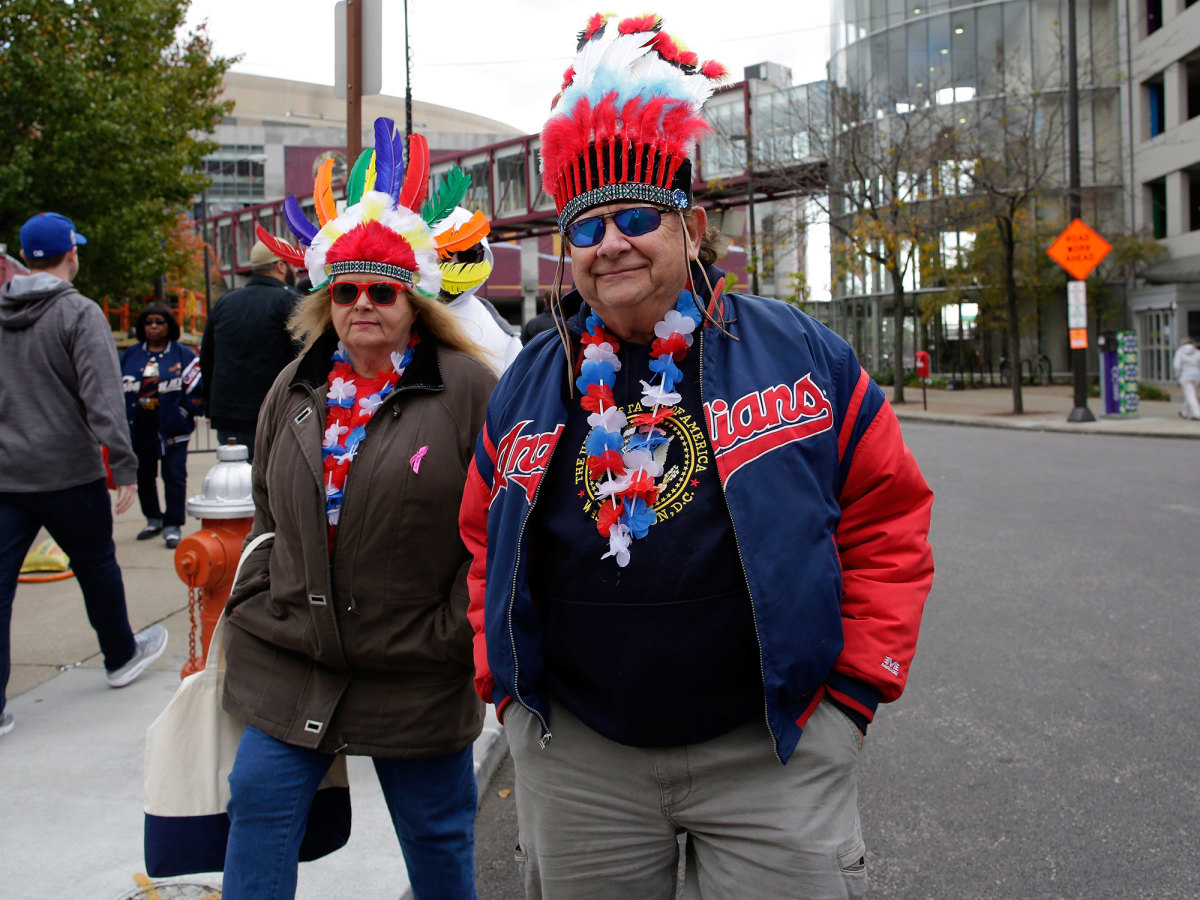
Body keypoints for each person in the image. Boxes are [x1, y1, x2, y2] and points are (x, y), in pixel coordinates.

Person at [459, 15, 935, 899]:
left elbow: (887, 517)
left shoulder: (799, 353)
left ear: (694, 226)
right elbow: (484, 542)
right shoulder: (530, 380)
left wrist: (852, 701)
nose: (611, 244)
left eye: (637, 217)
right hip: (582, 764)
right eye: (586, 228)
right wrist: (507, 696)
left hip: (770, 753)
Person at [219, 119, 496, 899]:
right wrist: (257, 598)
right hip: (295, 658)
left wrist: (451, 632)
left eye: (383, 290)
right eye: (346, 291)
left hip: (416, 667)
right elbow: (269, 514)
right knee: (259, 810)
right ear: (325, 299)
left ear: (415, 300)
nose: (363, 305)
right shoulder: (294, 387)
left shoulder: (468, 391)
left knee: (439, 842)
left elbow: (496, 530)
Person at [0, 212, 168, 738]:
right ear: (71, 254)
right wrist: (123, 465)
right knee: (96, 565)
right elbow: (101, 396)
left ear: (27, 257)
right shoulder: (78, 312)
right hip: (69, 470)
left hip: (8, 474)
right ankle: (120, 655)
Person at [199, 239, 299, 460]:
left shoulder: (225, 302)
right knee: (272, 486)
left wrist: (209, 404)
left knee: (238, 484)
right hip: (274, 413)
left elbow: (207, 358)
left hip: (228, 414)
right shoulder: (289, 301)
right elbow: (306, 358)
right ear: (281, 266)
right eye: (292, 264)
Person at [120, 303, 202, 548]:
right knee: (144, 476)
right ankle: (153, 519)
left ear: (169, 326)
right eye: (148, 322)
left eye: (159, 322)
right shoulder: (130, 356)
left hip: (172, 431)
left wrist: (183, 414)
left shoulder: (182, 355)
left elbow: (197, 390)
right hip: (139, 430)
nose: (153, 326)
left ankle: (172, 524)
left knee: (174, 476)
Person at [431, 204, 523, 375]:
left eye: (468, 254)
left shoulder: (504, 338)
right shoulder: (397, 314)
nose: (455, 263)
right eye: (446, 253)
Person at [1172, 336, 1200, 420]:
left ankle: (1197, 414)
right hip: (1197, 376)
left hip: (1185, 376)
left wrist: (1177, 376)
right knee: (1191, 394)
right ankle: (1184, 412)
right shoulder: (1197, 351)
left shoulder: (1180, 351)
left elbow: (1176, 366)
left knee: (1190, 395)